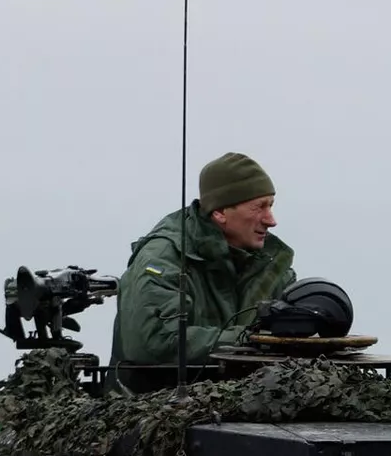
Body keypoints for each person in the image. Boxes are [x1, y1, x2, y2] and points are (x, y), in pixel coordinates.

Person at [114, 151, 297, 366]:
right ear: (219, 212)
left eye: (271, 205)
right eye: (258, 207)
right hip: (160, 387)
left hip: (244, 387)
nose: (271, 220)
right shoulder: (164, 258)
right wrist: (252, 340)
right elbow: (154, 341)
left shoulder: (271, 264)